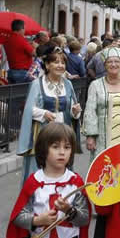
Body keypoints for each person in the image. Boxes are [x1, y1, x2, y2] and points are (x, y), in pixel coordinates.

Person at [17, 47, 82, 182]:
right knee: (42, 167)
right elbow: (29, 109)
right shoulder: (37, 84)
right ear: (47, 65)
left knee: (62, 164)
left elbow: (71, 109)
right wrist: (44, 113)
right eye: (56, 62)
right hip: (43, 133)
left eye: (63, 63)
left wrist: (75, 112)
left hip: (63, 132)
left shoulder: (68, 84)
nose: (60, 66)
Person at [83, 47, 120, 162]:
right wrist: (90, 136)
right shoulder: (95, 85)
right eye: (110, 62)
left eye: (117, 61)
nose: (113, 65)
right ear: (104, 65)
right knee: (104, 167)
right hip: (102, 134)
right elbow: (90, 111)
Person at [4, 19, 35, 84]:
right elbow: (33, 53)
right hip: (22, 73)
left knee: (14, 93)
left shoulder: (7, 39)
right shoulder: (21, 39)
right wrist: (34, 46)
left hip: (11, 71)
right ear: (21, 29)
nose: (24, 31)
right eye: (24, 29)